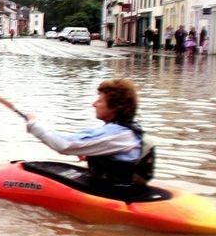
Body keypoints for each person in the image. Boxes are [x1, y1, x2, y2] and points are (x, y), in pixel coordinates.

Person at [22, 78, 154, 192]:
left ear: (115, 107)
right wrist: (94, 156)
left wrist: (34, 124)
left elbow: (64, 145)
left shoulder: (117, 133)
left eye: (100, 100)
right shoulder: (130, 131)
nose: (94, 104)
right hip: (128, 186)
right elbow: (123, 158)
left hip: (117, 191)